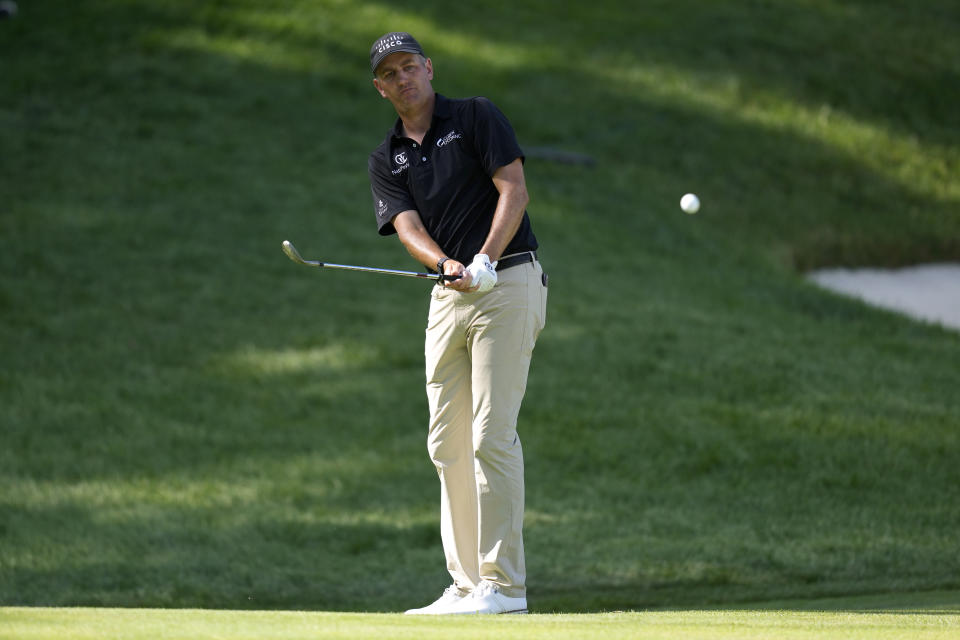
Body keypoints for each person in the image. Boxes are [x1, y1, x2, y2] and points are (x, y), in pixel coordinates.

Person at [367, 32, 548, 615]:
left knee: (490, 435)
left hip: (509, 280)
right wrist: (446, 264)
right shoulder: (387, 156)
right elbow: (406, 224)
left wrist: (486, 260)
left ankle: (504, 586)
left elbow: (512, 188)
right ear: (380, 87)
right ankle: (467, 585)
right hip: (448, 297)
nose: (403, 79)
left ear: (429, 67)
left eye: (410, 67)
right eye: (390, 74)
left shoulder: (474, 117)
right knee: (447, 444)